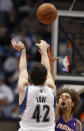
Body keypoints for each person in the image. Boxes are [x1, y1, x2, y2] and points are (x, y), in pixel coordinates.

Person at [11, 39, 56, 131]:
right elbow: (47, 69)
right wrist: (44, 52)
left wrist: (23, 51)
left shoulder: (24, 89)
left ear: (30, 77)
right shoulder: (51, 88)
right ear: (46, 77)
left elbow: (23, 70)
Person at [48, 47, 82, 131]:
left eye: (67, 97)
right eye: (61, 97)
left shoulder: (77, 124)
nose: (63, 98)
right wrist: (51, 65)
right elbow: (51, 85)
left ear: (73, 104)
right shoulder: (55, 115)